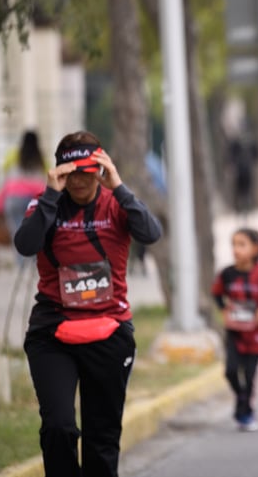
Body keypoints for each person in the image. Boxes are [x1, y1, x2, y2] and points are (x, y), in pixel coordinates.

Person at [14, 131, 163, 477]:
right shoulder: (44, 203)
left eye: (88, 170)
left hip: (109, 332)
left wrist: (120, 187)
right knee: (59, 428)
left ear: (101, 169)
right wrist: (52, 194)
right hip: (52, 331)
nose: (80, 179)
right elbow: (25, 244)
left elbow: (151, 233)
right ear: (59, 172)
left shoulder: (116, 204)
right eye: (71, 171)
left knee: (102, 438)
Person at [211, 227, 258, 432]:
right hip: (234, 331)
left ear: (255, 248)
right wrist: (223, 309)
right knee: (231, 371)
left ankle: (246, 412)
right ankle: (242, 399)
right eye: (233, 245)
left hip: (256, 333)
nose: (236, 249)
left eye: (241, 244)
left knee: (250, 375)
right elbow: (217, 293)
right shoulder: (227, 274)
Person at [0, 130, 48, 268]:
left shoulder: (13, 155)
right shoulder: (41, 157)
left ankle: (21, 265)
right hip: (35, 199)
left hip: (14, 198)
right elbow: (47, 177)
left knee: (17, 231)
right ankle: (35, 264)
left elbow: (6, 177)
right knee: (35, 231)